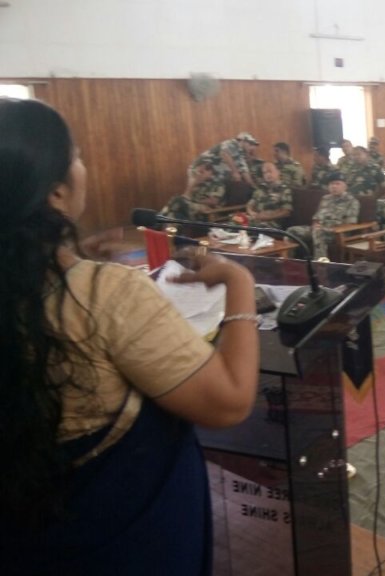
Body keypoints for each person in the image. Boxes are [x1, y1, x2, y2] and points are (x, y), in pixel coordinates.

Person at [0, 98, 258, 573]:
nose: (84, 167)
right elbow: (229, 402)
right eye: (77, 156)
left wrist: (74, 255)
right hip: (120, 538)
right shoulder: (103, 294)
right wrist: (239, 283)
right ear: (55, 192)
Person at [286, 172, 359, 261]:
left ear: (345, 186)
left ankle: (320, 264)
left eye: (337, 184)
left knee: (318, 232)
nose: (334, 186)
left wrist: (328, 229)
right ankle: (290, 261)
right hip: (319, 229)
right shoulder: (325, 199)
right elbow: (317, 217)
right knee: (292, 231)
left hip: (337, 233)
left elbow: (350, 224)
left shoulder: (352, 201)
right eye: (331, 184)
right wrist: (315, 224)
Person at [159, 159, 225, 221]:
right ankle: (160, 220)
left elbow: (213, 201)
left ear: (212, 173)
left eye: (207, 169)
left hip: (206, 211)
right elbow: (187, 195)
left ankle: (159, 220)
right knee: (175, 208)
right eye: (202, 168)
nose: (202, 171)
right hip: (191, 208)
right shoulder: (199, 182)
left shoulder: (217, 184)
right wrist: (194, 183)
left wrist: (194, 201)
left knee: (178, 202)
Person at [246, 162, 293, 229]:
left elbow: (286, 212)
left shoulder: (284, 189)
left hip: (272, 224)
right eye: (265, 173)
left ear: (278, 172)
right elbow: (251, 203)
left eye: (270, 171)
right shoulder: (261, 187)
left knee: (254, 226)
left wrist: (266, 217)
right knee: (235, 221)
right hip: (256, 219)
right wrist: (251, 212)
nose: (267, 174)